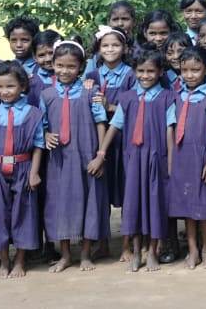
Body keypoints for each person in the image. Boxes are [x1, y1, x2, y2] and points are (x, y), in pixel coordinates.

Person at [41, 39, 109, 274]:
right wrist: (46, 135)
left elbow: (101, 122)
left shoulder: (91, 91)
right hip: (59, 160)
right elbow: (42, 124)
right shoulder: (47, 94)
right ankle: (66, 255)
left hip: (86, 155)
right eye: (60, 65)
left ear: (80, 67)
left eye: (71, 66)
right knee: (60, 203)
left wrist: (100, 155)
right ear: (53, 64)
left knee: (89, 202)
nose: (65, 71)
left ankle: (86, 254)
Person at [102, 50, 171, 273]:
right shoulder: (127, 98)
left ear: (160, 72)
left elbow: (170, 131)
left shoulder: (168, 98)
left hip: (156, 158)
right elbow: (116, 125)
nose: (145, 75)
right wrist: (102, 152)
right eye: (141, 71)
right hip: (132, 159)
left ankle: (152, 252)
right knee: (133, 204)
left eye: (151, 71)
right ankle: (136, 251)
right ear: (134, 72)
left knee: (155, 204)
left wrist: (170, 161)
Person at [0, 61, 44, 279]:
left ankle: (20, 260)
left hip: (23, 167)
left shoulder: (33, 113)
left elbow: (38, 145)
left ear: (23, 86)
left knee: (24, 212)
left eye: (10, 86)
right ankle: (4, 261)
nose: (4, 92)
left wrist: (34, 172)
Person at [167, 47, 206, 269]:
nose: (189, 75)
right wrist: (171, 161)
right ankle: (192, 251)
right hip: (182, 158)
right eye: (185, 71)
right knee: (187, 206)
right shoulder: (176, 96)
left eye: (195, 70)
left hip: (203, 156)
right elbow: (171, 129)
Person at [86, 25, 135, 255]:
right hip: (98, 138)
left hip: (124, 139)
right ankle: (103, 242)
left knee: (127, 190)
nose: (110, 49)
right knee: (100, 191)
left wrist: (111, 106)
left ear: (124, 48)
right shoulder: (91, 76)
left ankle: (126, 245)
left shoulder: (132, 74)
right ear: (98, 49)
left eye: (115, 45)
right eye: (105, 45)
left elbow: (135, 107)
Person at [30, 29, 61, 94]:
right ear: (34, 57)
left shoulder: (72, 75)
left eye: (51, 53)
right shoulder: (31, 78)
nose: (48, 59)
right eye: (41, 55)